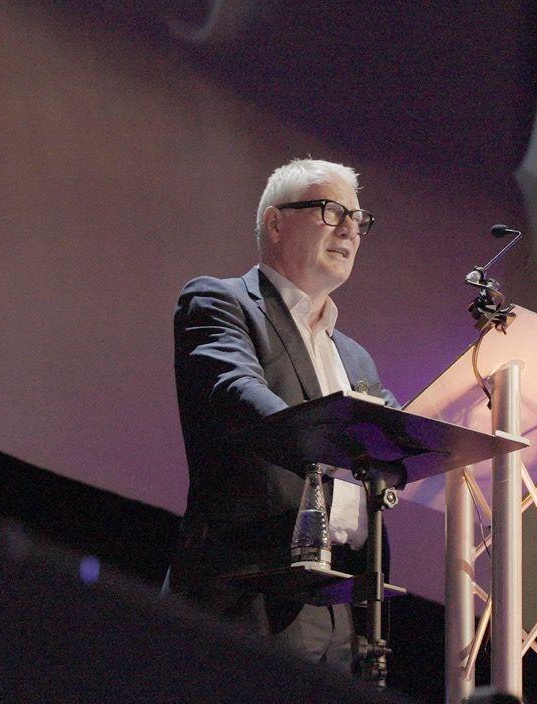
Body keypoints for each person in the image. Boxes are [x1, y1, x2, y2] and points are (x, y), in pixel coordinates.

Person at [167, 159, 399, 672]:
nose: (350, 229)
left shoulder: (355, 358)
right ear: (276, 222)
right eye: (331, 210)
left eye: (359, 220)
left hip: (342, 605)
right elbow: (238, 393)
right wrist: (338, 442)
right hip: (250, 592)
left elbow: (398, 438)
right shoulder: (221, 302)